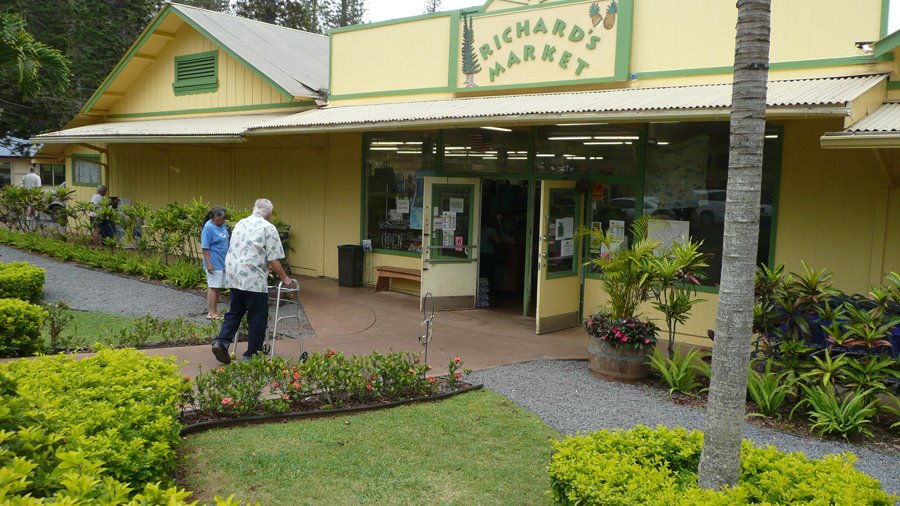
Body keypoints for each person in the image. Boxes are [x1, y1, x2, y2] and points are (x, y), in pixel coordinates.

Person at [211, 198, 292, 364]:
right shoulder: (268, 227)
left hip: (234, 274)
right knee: (257, 316)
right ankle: (251, 353)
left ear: (254, 209)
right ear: (269, 214)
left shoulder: (240, 223)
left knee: (235, 311)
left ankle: (222, 342)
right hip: (253, 278)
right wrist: (285, 278)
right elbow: (273, 258)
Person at [201, 207, 229, 320]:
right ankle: (211, 312)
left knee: (218, 287)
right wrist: (209, 263)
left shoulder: (222, 225)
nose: (221, 221)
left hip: (223, 261)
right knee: (213, 287)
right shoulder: (208, 227)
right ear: (212, 218)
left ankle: (215, 310)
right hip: (214, 261)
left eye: (223, 219)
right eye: (219, 219)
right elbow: (205, 247)